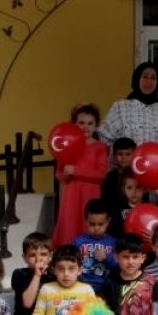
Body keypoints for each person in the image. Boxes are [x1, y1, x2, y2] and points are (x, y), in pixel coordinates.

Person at [55, 103, 111, 247]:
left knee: (89, 223)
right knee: (70, 223)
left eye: (90, 123)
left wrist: (76, 171)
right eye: (81, 123)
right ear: (74, 124)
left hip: (90, 193)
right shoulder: (67, 144)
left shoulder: (100, 147)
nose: (86, 126)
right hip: (71, 192)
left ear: (96, 125)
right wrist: (65, 175)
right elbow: (59, 173)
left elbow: (101, 174)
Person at [30, 246, 96, 315]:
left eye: (71, 269)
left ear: (80, 270)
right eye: (61, 269)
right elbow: (38, 314)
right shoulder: (47, 289)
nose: (66, 274)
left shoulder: (87, 290)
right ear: (54, 269)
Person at [102, 234, 158, 315]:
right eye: (125, 257)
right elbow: (106, 313)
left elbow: (156, 311)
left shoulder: (151, 282)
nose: (130, 262)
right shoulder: (110, 283)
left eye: (135, 257)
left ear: (142, 258)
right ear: (116, 257)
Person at [98, 62, 158, 146]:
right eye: (145, 77)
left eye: (153, 78)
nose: (148, 82)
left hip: (155, 159)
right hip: (128, 159)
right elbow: (103, 137)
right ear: (137, 79)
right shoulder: (120, 108)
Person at [11, 232, 53, 315]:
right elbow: (27, 302)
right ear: (24, 257)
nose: (38, 259)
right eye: (32, 255)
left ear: (50, 256)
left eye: (43, 254)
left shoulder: (54, 277)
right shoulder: (19, 274)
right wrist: (37, 275)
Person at [73, 199, 118, 294]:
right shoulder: (78, 241)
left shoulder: (113, 242)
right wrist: (79, 259)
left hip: (105, 287)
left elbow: (119, 265)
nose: (96, 228)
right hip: (82, 285)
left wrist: (107, 257)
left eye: (100, 224)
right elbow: (70, 262)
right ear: (86, 221)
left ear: (108, 222)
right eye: (92, 224)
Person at [101, 137, 137, 214]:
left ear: (134, 155)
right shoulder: (109, 177)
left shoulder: (138, 176)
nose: (124, 158)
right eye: (120, 154)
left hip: (136, 216)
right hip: (115, 218)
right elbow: (106, 201)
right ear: (114, 156)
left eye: (128, 154)